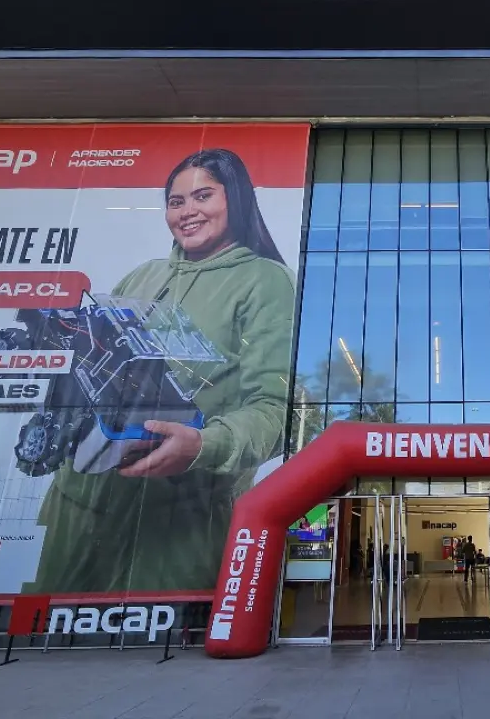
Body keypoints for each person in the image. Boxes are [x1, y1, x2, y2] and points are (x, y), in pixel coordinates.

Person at [26, 148, 296, 594]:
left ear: (238, 200)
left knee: (158, 658)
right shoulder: (142, 276)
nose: (187, 211)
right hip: (74, 506)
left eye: (203, 196)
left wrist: (205, 444)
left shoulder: (266, 281)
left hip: (177, 524)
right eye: (176, 202)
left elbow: (276, 409)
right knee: (35, 641)